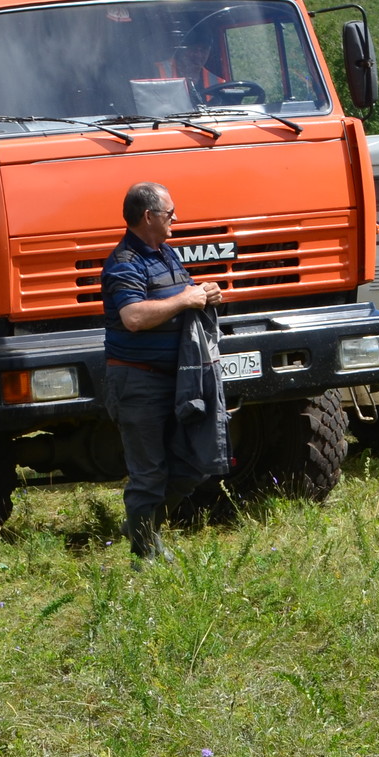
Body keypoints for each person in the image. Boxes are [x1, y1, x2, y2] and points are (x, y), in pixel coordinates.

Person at [101, 182, 223, 564]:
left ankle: (143, 524)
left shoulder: (165, 254)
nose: (176, 219)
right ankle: (144, 555)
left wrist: (204, 292)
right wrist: (186, 298)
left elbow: (180, 296)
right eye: (170, 214)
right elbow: (133, 317)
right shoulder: (124, 263)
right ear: (148, 217)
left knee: (192, 463)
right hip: (137, 382)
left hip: (176, 381)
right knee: (149, 474)